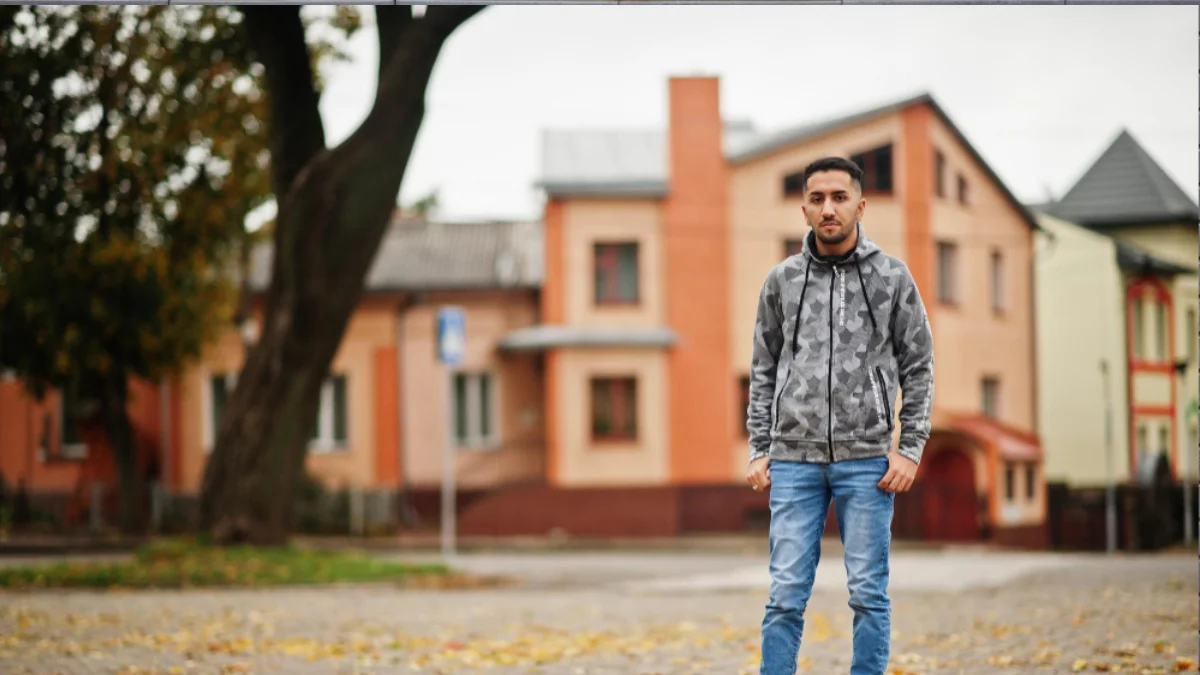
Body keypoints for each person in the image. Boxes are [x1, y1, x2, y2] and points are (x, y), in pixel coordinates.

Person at [745, 156, 934, 675]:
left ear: (860, 206)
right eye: (817, 198)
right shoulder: (781, 281)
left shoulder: (891, 277)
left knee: (868, 594)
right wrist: (759, 448)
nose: (828, 208)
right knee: (784, 595)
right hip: (792, 462)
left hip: (867, 462)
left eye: (839, 197)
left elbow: (919, 365)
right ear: (804, 209)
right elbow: (762, 367)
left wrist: (910, 449)